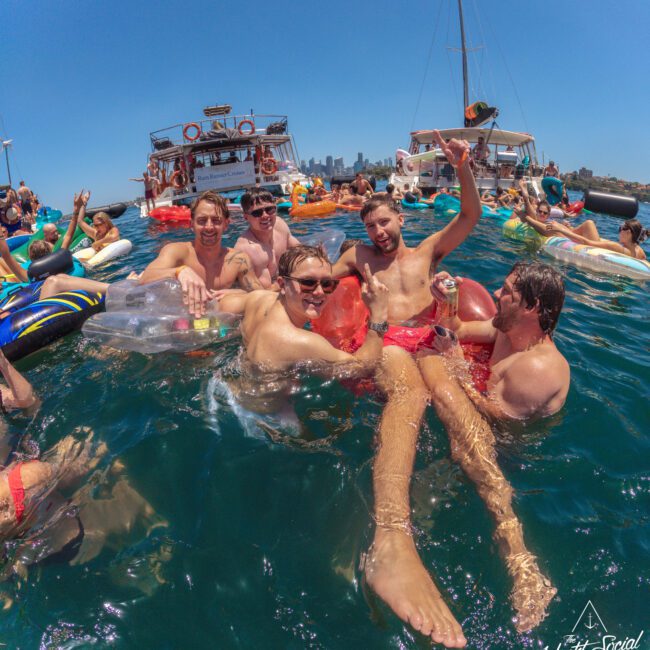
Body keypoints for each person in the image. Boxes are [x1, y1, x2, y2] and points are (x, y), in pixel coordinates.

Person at [330, 130, 478, 646]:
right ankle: (391, 538)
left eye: (386, 222)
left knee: (456, 405)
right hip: (390, 341)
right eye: (370, 225)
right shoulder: (358, 256)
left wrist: (462, 169)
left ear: (402, 220)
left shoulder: (427, 254)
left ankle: (510, 530)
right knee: (410, 396)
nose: (379, 232)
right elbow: (320, 280)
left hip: (430, 338)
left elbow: (468, 218)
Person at [417, 262, 570, 630]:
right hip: (479, 423)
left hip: (509, 451)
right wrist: (446, 297)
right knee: (452, 452)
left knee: (472, 453)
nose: (496, 295)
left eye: (507, 293)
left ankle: (524, 566)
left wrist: (456, 368)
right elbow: (456, 329)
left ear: (532, 308)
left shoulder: (540, 368)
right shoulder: (506, 329)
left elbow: (496, 419)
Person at [139, 190, 262, 317]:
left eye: (216, 220)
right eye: (202, 221)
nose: (209, 227)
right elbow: (145, 278)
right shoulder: (177, 251)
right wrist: (179, 271)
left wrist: (237, 292)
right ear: (192, 224)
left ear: (226, 224)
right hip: (183, 323)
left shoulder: (238, 260)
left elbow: (261, 296)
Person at [234, 187, 300, 289]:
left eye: (270, 210)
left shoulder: (280, 225)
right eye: (257, 213)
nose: (265, 216)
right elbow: (264, 293)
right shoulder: (248, 249)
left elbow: (300, 251)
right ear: (246, 217)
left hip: (281, 281)